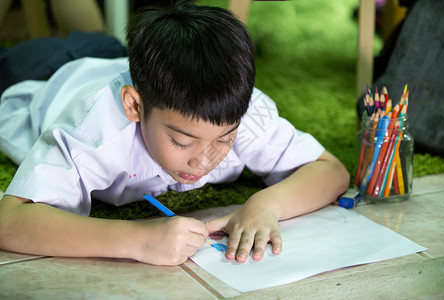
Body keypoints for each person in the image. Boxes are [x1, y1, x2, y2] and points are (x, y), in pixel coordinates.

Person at [0, 1, 349, 266]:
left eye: (225, 139)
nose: (203, 160)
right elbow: (11, 220)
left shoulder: (242, 112)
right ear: (134, 107)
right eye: (182, 141)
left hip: (128, 64)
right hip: (48, 72)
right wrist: (137, 239)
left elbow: (330, 170)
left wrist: (265, 205)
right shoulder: (96, 129)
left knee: (109, 43)